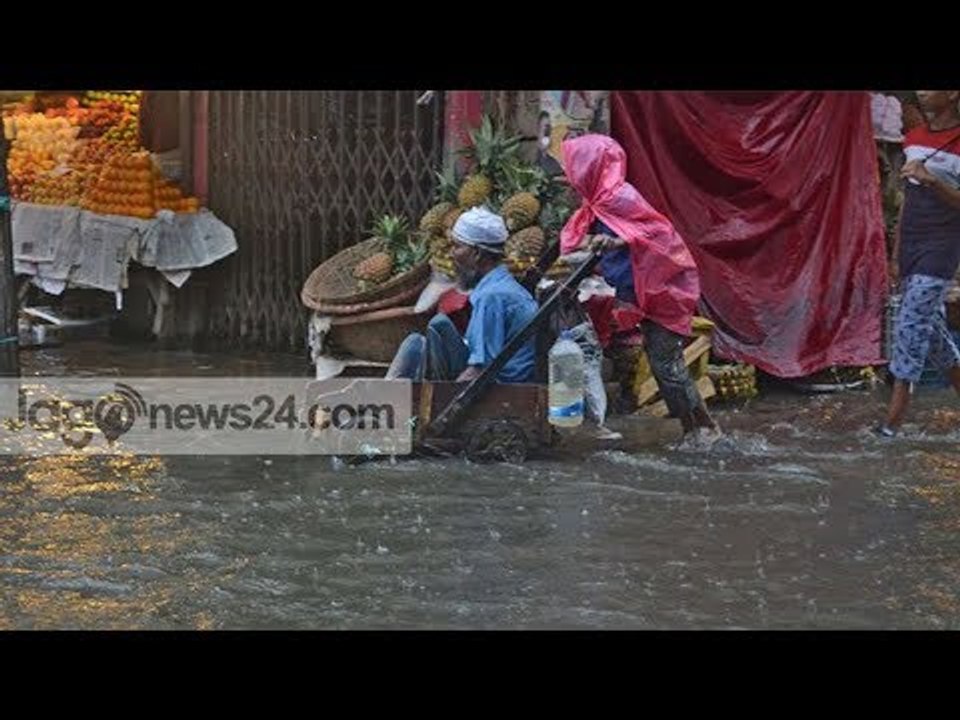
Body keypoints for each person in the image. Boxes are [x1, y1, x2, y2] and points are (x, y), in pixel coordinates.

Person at [559, 133, 718, 439]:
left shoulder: (620, 198)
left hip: (662, 292)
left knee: (666, 366)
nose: (570, 174)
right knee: (663, 363)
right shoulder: (596, 204)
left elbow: (656, 234)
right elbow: (588, 239)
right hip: (635, 293)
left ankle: (702, 429)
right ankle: (697, 428)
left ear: (591, 166)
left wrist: (615, 240)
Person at [876, 90, 960, 437]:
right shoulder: (913, 138)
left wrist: (934, 180)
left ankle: (891, 425)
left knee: (910, 325)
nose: (923, 92)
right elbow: (909, 200)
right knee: (932, 332)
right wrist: (896, 253)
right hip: (912, 242)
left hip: (943, 245)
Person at [386, 207, 538, 383]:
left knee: (439, 324)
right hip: (499, 376)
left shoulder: (492, 296)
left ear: (477, 253)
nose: (452, 254)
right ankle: (388, 394)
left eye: (457, 247)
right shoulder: (499, 286)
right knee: (415, 344)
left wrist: (449, 402)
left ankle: (390, 400)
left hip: (502, 386)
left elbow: (479, 369)